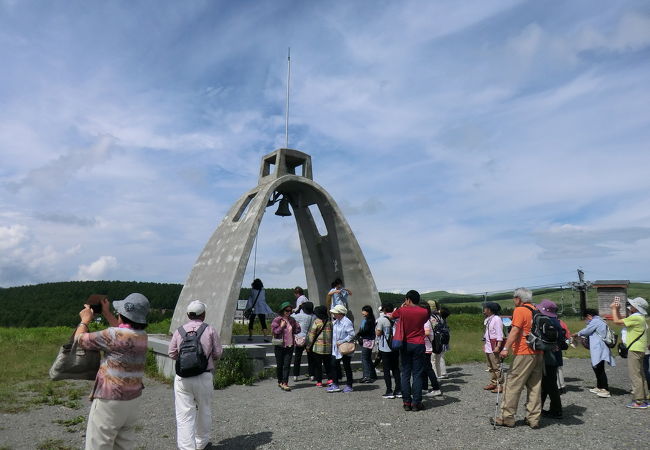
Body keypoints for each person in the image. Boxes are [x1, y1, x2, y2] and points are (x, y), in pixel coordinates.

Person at [75, 293, 150, 450]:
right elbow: (121, 330)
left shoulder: (113, 335)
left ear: (122, 314)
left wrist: (85, 320)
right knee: (123, 445)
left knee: (99, 445)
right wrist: (107, 313)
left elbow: (79, 339)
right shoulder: (142, 336)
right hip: (132, 400)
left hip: (110, 400)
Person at [168, 300, 223, 450]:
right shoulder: (210, 329)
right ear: (203, 314)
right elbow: (217, 353)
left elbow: (172, 353)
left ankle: (187, 448)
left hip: (183, 378)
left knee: (184, 415)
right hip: (204, 375)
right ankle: (201, 443)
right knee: (204, 410)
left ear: (188, 314)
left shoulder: (179, 330)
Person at [492, 287, 543, 429]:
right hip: (538, 352)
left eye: (514, 297)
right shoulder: (536, 310)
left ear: (518, 298)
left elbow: (514, 330)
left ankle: (506, 418)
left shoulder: (520, 310)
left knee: (513, 384)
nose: (514, 300)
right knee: (535, 386)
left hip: (523, 352)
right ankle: (533, 419)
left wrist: (506, 348)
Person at [389, 290, 429, 411]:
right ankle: (416, 403)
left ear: (408, 299)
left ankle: (407, 402)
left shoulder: (402, 310)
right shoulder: (424, 312)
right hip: (419, 344)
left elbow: (391, 316)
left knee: (405, 373)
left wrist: (402, 306)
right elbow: (425, 321)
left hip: (405, 344)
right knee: (417, 374)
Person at [610, 296, 649, 408]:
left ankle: (639, 401)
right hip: (640, 348)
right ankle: (645, 397)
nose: (629, 306)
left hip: (634, 349)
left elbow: (617, 321)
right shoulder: (639, 317)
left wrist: (613, 309)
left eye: (631, 305)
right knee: (640, 374)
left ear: (636, 307)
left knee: (635, 375)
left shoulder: (636, 317)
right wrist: (617, 310)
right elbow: (622, 321)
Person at [574, 308, 616, 398]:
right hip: (598, 348)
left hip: (599, 348)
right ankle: (599, 386)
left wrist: (577, 334)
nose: (585, 320)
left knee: (599, 368)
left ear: (589, 316)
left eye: (585, 318)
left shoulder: (595, 321)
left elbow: (587, 331)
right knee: (596, 366)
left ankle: (605, 389)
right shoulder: (599, 320)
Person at [537, 299, 564, 420]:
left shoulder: (547, 322)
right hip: (556, 355)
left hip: (549, 357)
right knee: (548, 384)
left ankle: (556, 411)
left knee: (550, 384)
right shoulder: (556, 321)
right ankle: (541, 407)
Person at [271, 301, 301, 391]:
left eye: (290, 310)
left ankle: (285, 383)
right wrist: (282, 326)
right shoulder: (277, 319)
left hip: (290, 345)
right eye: (286, 311)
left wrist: (298, 327)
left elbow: (296, 331)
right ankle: (280, 381)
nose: (288, 312)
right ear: (282, 311)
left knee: (287, 365)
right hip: (280, 346)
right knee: (280, 365)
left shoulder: (292, 320)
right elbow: (274, 332)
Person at [327, 304, 355, 393]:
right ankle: (335, 384)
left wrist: (342, 341)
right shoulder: (336, 321)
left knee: (347, 366)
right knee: (333, 365)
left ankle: (349, 385)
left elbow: (352, 334)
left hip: (344, 348)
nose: (333, 314)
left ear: (340, 313)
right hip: (336, 348)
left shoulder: (347, 322)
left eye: (335, 313)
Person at [376, 303, 401, 399]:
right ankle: (398, 390)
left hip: (385, 347)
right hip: (395, 346)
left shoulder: (381, 319)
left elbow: (378, 333)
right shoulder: (397, 319)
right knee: (396, 368)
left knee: (386, 369)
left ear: (384, 310)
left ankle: (389, 390)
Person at [306, 305, 332, 387]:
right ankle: (330, 379)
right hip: (328, 347)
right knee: (328, 364)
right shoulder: (329, 322)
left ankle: (319, 381)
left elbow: (311, 335)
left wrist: (308, 346)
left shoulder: (317, 322)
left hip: (317, 348)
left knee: (318, 365)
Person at [421, 301, 442, 397]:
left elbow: (427, 332)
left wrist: (415, 334)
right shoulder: (425, 319)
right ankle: (424, 388)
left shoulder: (426, 320)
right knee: (424, 369)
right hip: (424, 348)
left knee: (428, 369)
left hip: (426, 348)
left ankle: (436, 388)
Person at [482, 302, 504, 393]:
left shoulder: (496, 319)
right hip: (488, 345)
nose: (484, 310)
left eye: (485, 308)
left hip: (494, 345)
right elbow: (487, 333)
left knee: (496, 366)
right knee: (490, 366)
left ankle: (500, 385)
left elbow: (499, 333)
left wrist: (498, 346)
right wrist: (485, 344)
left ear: (490, 309)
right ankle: (494, 383)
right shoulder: (488, 319)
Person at [291, 301, 315, 381]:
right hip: (310, 339)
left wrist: (298, 310)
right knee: (311, 357)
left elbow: (291, 316)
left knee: (297, 357)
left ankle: (295, 375)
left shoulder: (300, 316)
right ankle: (312, 374)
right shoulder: (314, 316)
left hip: (300, 338)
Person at [357, 305, 378, 383]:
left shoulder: (369, 321)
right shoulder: (368, 320)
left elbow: (365, 331)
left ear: (368, 312)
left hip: (367, 341)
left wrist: (358, 334)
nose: (362, 312)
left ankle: (366, 376)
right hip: (368, 340)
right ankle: (372, 374)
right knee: (368, 358)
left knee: (364, 358)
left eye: (364, 311)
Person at [431, 305, 450, 379]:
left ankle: (436, 375)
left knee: (434, 359)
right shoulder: (443, 319)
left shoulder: (436, 318)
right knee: (439, 357)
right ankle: (441, 373)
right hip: (443, 341)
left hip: (437, 341)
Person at [556, 317, 571, 394]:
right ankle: (562, 386)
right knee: (559, 367)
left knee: (554, 368)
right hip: (560, 346)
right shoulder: (561, 322)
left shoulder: (550, 321)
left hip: (553, 347)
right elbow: (568, 335)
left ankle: (558, 387)